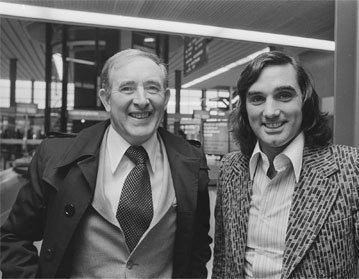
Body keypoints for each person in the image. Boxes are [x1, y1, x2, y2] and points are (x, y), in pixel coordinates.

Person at [1, 49, 212, 278]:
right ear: (105, 99)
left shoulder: (190, 162)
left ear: (167, 97)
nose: (141, 100)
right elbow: (14, 238)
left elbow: (197, 248)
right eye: (127, 88)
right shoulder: (57, 157)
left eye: (152, 88)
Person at [212, 51, 359, 278]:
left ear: (305, 100)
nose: (270, 112)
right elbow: (223, 261)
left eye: (284, 95)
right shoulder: (231, 169)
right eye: (257, 99)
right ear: (245, 107)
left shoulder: (353, 168)